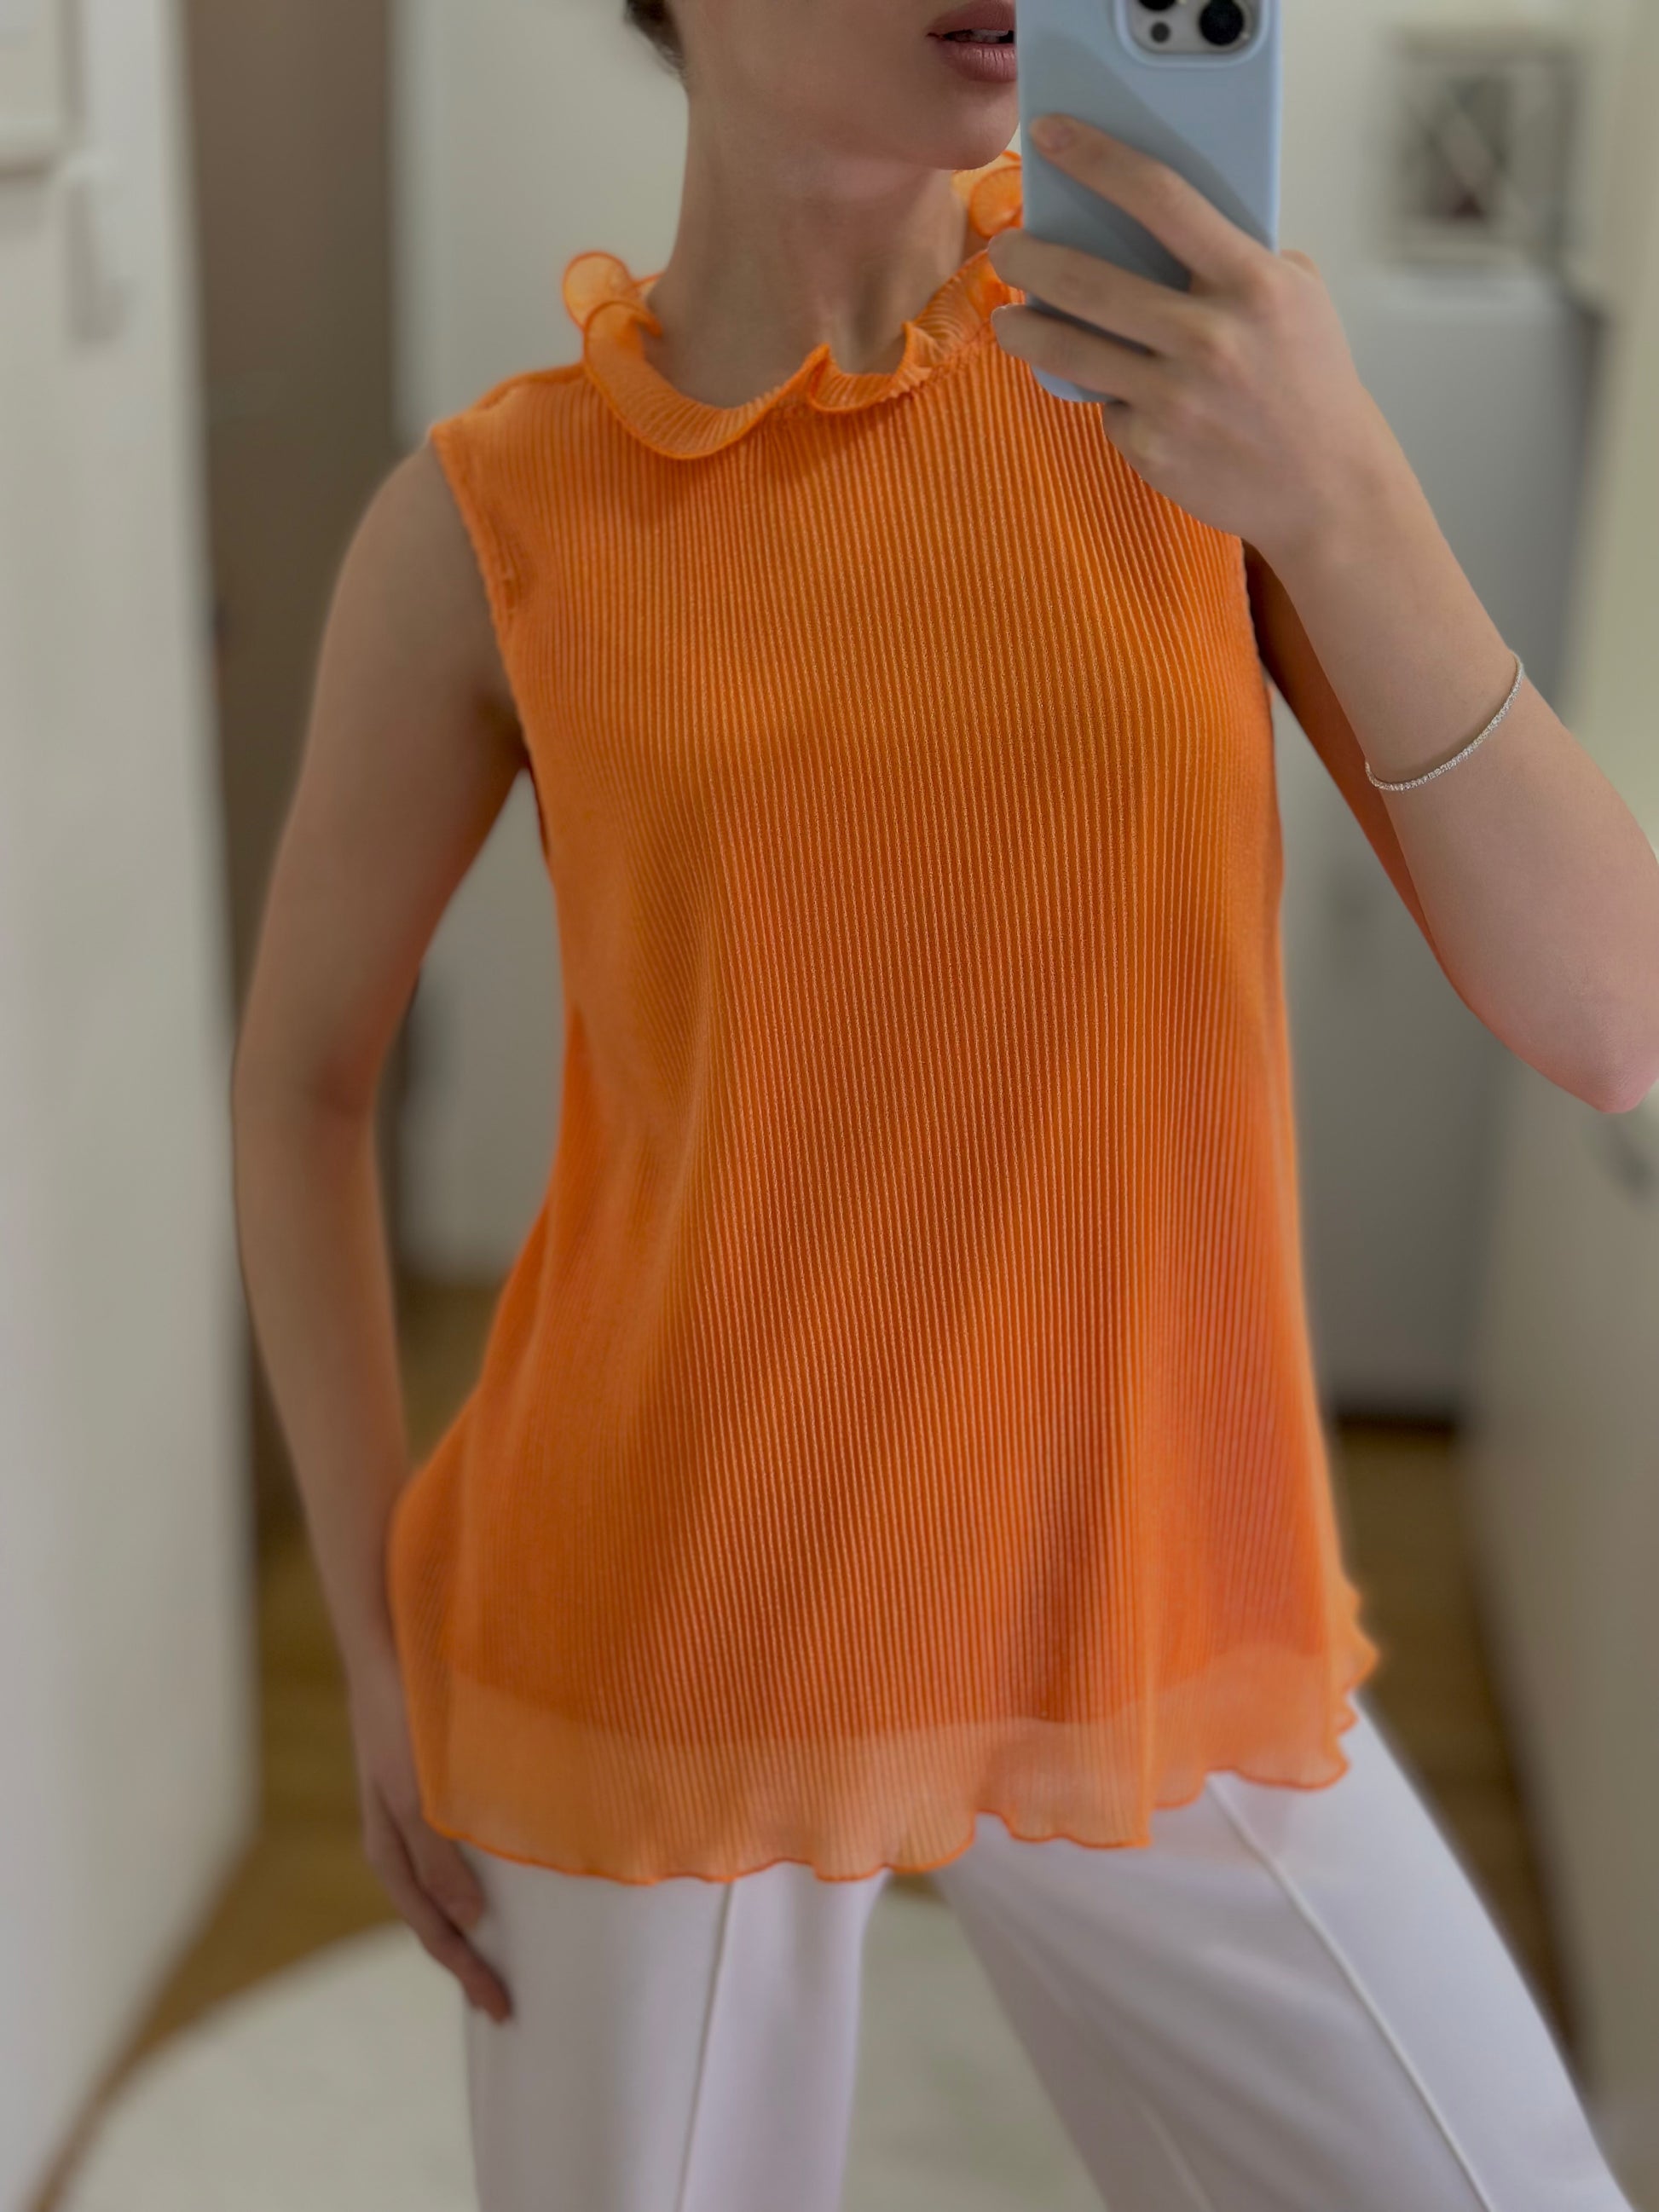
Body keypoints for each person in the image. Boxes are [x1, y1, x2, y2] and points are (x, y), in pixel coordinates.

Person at [229, 0, 1659, 2206]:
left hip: (1146, 1589)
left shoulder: (1192, 387)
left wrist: (1345, 495)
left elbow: (1614, 1017)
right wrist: (373, 1633)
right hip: (663, 1614)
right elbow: (307, 1080)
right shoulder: (493, 514)